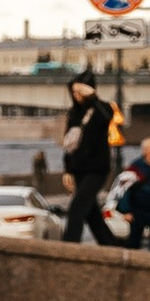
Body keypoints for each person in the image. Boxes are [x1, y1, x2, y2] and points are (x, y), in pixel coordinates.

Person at [59, 74, 119, 243]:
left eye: (80, 91)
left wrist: (93, 96)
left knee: (77, 209)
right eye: (74, 92)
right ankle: (112, 247)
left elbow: (108, 116)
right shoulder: (74, 113)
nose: (76, 95)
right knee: (92, 216)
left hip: (96, 170)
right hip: (78, 170)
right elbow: (70, 145)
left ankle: (68, 250)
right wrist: (67, 170)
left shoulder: (102, 108)